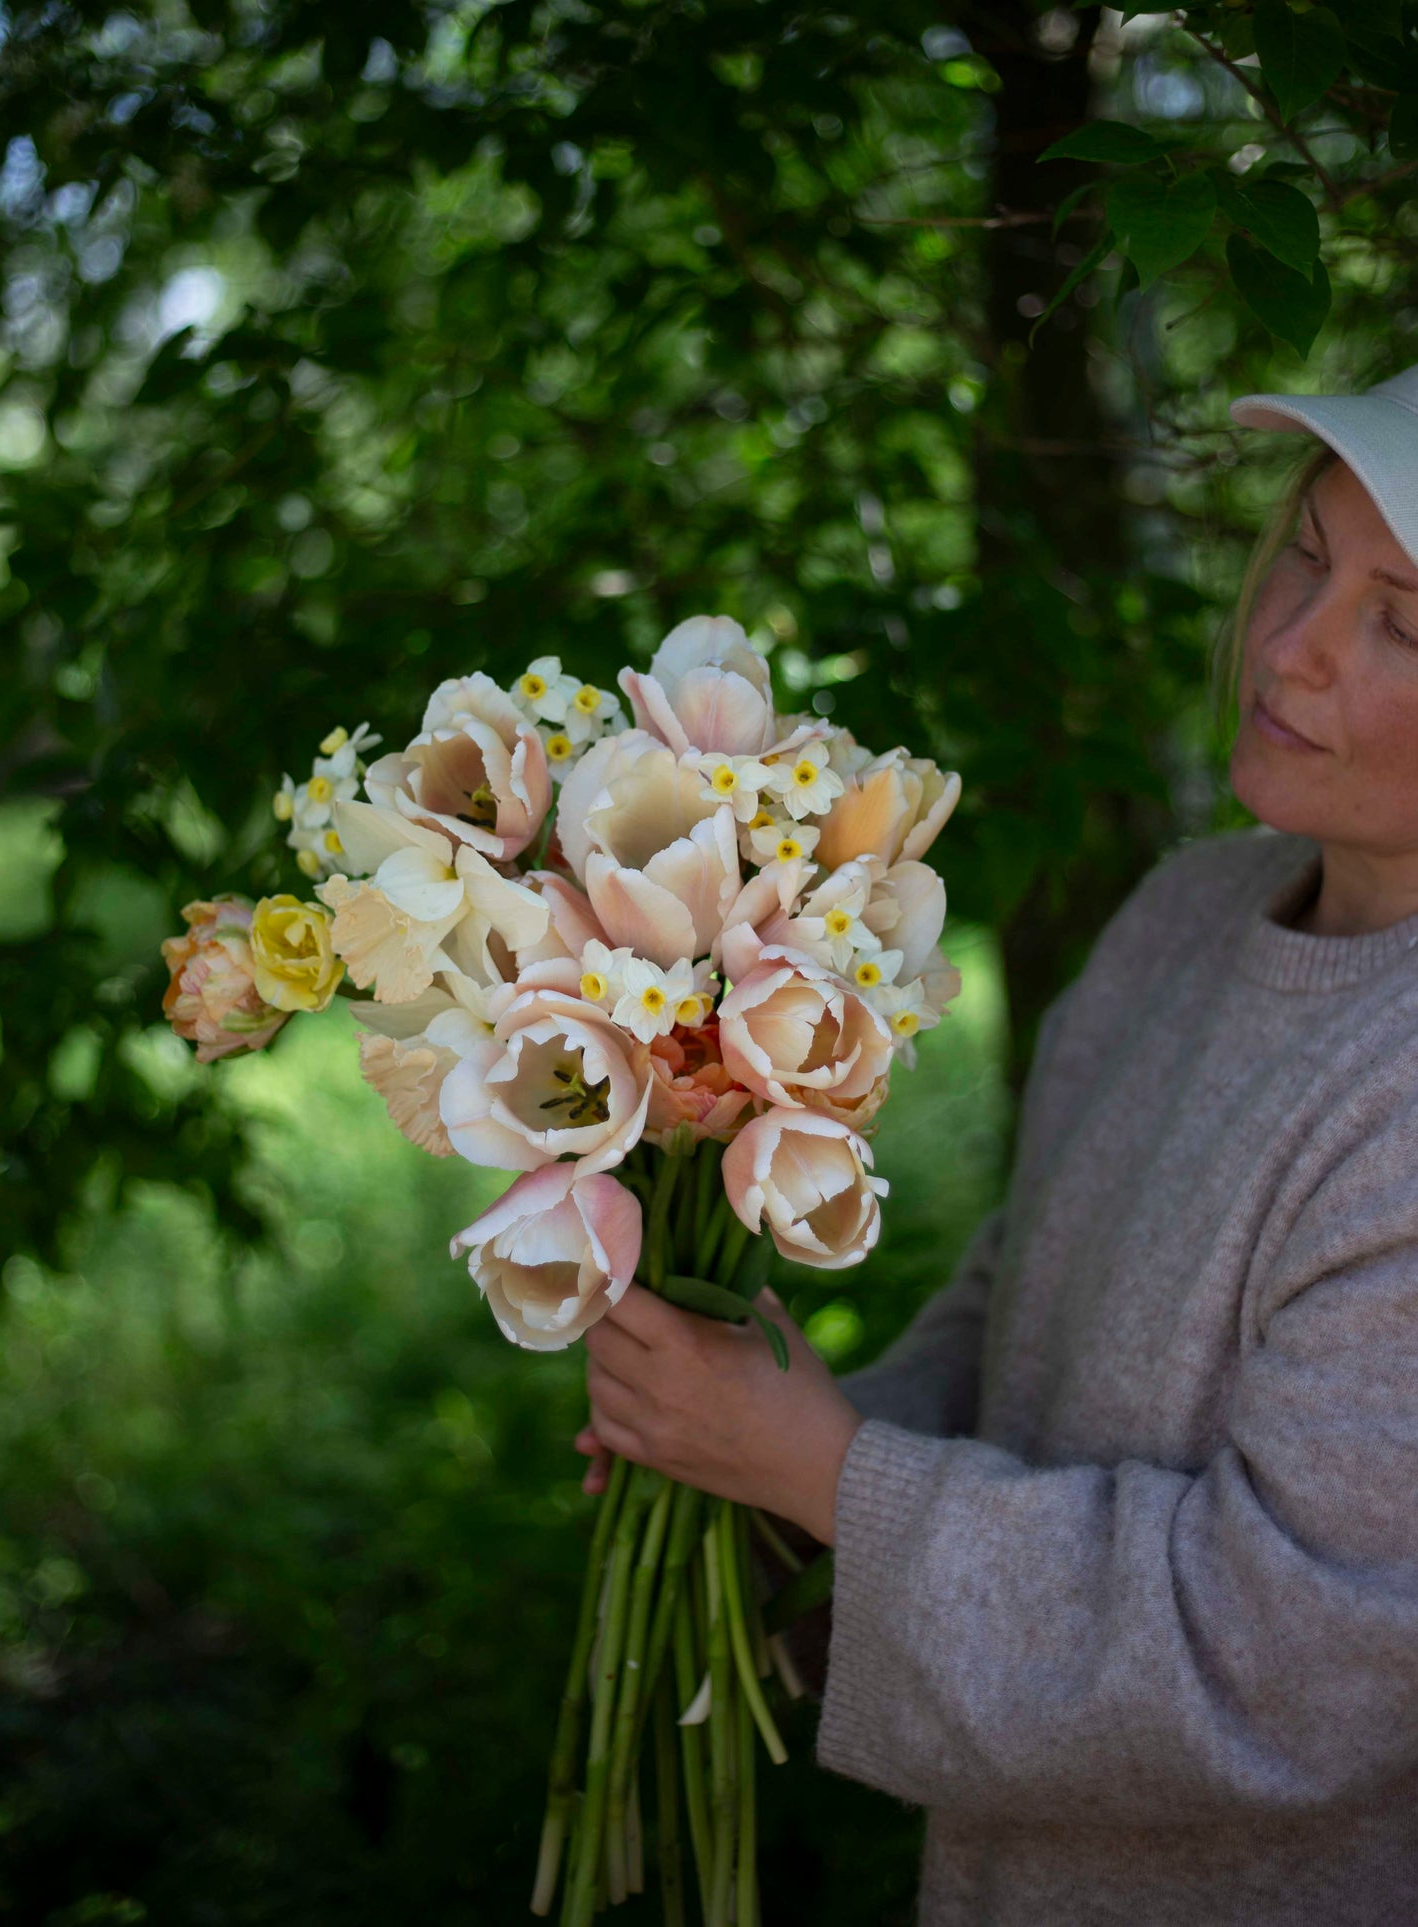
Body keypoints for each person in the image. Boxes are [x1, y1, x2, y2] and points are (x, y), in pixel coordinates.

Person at [575, 361, 1418, 1924]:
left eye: (1403, 620)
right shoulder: (1187, 913)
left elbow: (1285, 1658)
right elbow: (1019, 1305)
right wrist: (756, 1452)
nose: (1289, 646)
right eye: (1303, 554)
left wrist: (826, 1469)